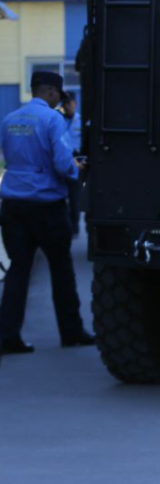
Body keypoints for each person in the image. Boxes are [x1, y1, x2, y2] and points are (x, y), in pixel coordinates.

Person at [0, 71, 94, 354]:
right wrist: (78, 168)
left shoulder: (10, 119)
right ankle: (71, 332)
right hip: (47, 206)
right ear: (52, 91)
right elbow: (63, 164)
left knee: (18, 270)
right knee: (61, 269)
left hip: (13, 205)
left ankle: (8, 336)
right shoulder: (52, 119)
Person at [58, 91, 83, 237]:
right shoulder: (58, 121)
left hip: (76, 163)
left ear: (75, 103)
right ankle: (64, 226)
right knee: (60, 197)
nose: (66, 106)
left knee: (75, 198)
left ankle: (74, 227)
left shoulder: (81, 121)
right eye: (64, 104)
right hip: (61, 162)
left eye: (69, 103)